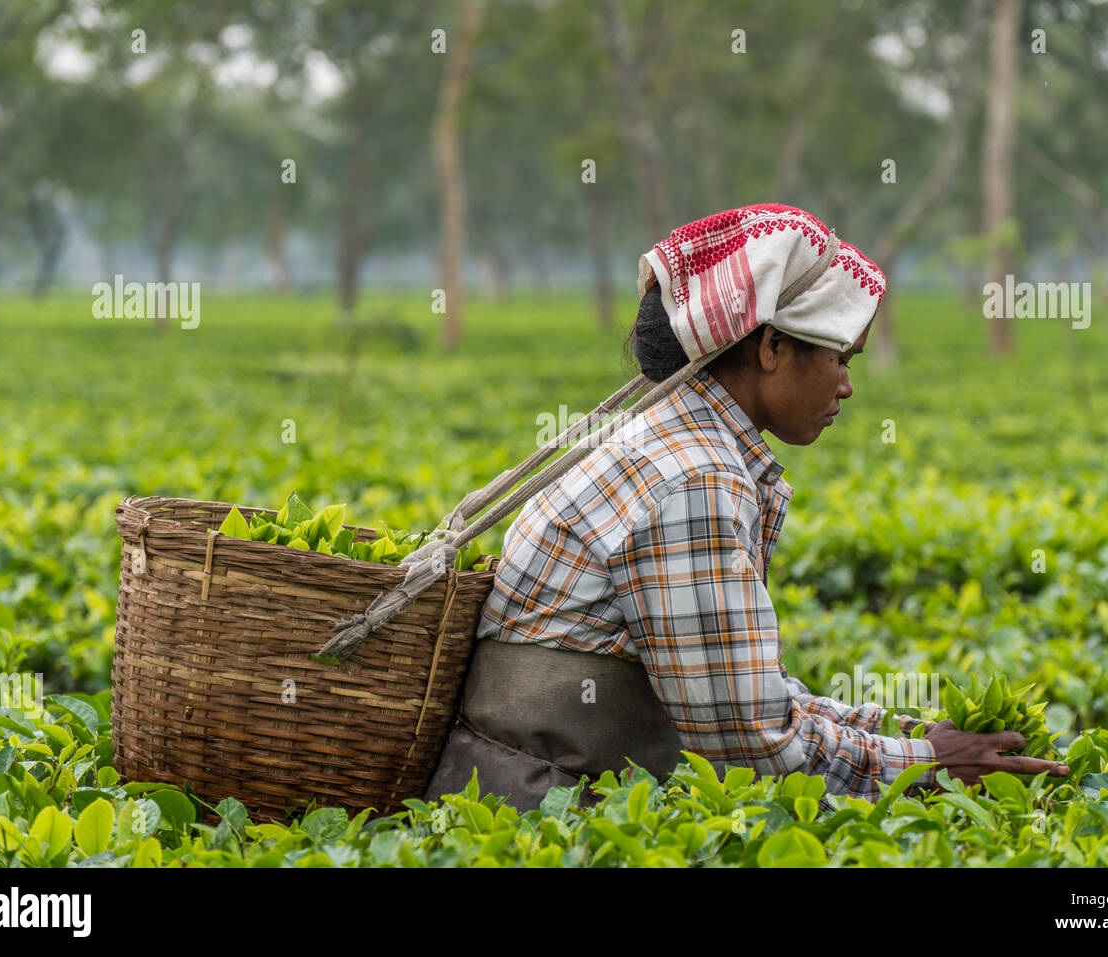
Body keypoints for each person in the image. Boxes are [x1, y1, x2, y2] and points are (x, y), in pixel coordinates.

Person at [424, 203, 1069, 812]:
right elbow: (748, 745)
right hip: (545, 816)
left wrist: (897, 729)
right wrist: (925, 765)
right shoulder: (694, 479)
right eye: (840, 358)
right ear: (770, 349)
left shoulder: (670, 441)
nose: (846, 386)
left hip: (532, 796)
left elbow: (742, 693)